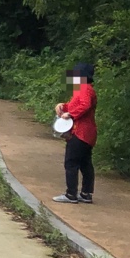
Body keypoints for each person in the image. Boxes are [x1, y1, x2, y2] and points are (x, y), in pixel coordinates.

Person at [53, 62, 98, 205]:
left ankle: (71, 194)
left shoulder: (84, 88)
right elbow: (75, 105)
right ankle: (86, 193)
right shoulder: (84, 88)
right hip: (88, 133)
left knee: (71, 162)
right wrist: (63, 106)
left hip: (80, 132)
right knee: (85, 163)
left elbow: (85, 105)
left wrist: (71, 114)